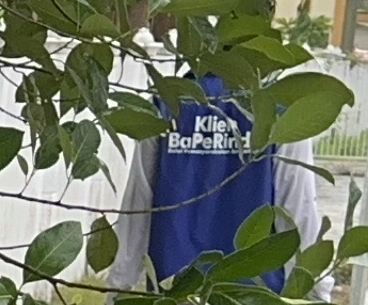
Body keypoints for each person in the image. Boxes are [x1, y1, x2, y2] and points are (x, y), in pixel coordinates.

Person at [101, 75, 326, 291]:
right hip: (253, 295)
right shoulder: (278, 110)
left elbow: (139, 200)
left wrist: (119, 284)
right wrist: (315, 289)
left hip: (175, 288)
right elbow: (298, 206)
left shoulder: (166, 104)